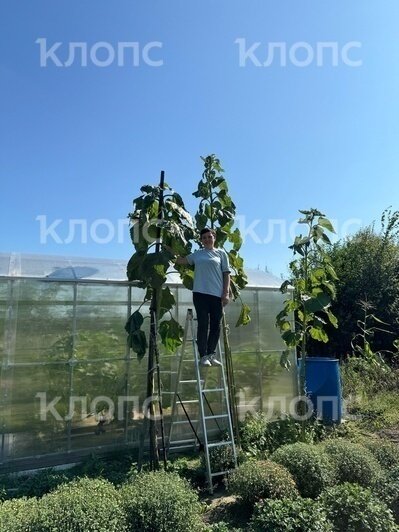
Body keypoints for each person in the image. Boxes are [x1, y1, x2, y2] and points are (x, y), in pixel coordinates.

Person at [174, 227, 231, 367]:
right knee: (203, 324)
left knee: (216, 326)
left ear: (214, 238)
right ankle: (203, 355)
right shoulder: (197, 254)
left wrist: (226, 293)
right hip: (200, 294)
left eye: (209, 237)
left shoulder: (221, 254)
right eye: (204, 237)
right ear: (201, 240)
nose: (207, 239)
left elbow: (226, 274)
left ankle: (212, 354)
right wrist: (169, 248)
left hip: (217, 295)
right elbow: (181, 261)